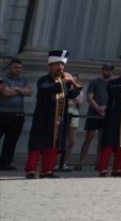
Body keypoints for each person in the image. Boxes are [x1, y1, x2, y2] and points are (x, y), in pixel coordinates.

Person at [23, 50, 80, 178]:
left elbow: (72, 95)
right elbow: (45, 90)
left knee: (53, 144)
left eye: (62, 65)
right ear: (50, 66)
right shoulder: (44, 80)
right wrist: (62, 83)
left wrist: (75, 84)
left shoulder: (64, 82)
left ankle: (47, 170)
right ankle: (31, 170)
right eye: (57, 64)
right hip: (44, 118)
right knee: (37, 144)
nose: (61, 67)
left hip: (58, 118)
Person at [76, 64, 111, 170]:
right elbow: (89, 97)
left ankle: (98, 163)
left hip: (105, 114)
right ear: (102, 70)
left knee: (102, 140)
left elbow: (113, 99)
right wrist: (98, 108)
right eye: (107, 70)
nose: (109, 72)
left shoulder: (112, 84)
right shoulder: (95, 82)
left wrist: (105, 108)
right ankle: (80, 163)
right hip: (93, 113)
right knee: (88, 138)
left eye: (110, 70)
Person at [0, 57, 31, 171]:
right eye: (15, 67)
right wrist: (20, 90)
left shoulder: (23, 80)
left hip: (18, 115)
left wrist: (16, 88)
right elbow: (5, 93)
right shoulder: (2, 79)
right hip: (3, 113)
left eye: (20, 68)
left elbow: (29, 92)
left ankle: (5, 163)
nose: (18, 70)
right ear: (10, 68)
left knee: (11, 141)